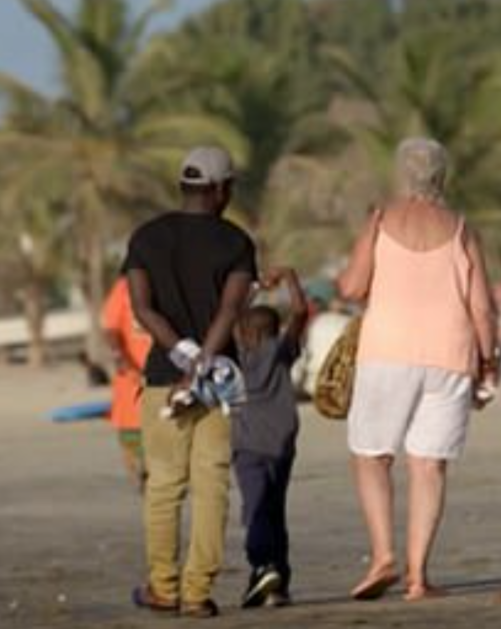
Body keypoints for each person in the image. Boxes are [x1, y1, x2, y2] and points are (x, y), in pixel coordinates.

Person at [337, 138, 498, 602]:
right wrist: (489, 360)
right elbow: (482, 308)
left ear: (401, 176)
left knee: (372, 455)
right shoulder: (463, 228)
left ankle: (384, 554)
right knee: (428, 465)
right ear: (442, 177)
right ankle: (417, 579)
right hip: (451, 354)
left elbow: (351, 286)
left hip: (387, 351)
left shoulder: (381, 220)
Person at [124, 146, 256, 618]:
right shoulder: (236, 242)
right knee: (212, 485)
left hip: (163, 381)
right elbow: (229, 310)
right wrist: (201, 366)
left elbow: (142, 308)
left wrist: (181, 357)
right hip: (218, 384)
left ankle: (163, 586)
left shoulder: (145, 238)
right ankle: (197, 593)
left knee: (163, 485)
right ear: (220, 189)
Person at [232, 267, 309, 609]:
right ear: (275, 331)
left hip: (248, 447)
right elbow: (302, 312)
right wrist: (290, 278)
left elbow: (230, 317)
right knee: (275, 510)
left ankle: (263, 565)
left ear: (244, 333)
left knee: (256, 510)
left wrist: (252, 288)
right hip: (282, 446)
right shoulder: (282, 352)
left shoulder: (236, 358)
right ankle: (278, 584)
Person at [102, 276, 153, 492]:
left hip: (169, 375)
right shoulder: (124, 286)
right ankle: (141, 476)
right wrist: (120, 356)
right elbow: (111, 327)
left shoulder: (172, 277)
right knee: (132, 433)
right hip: (131, 376)